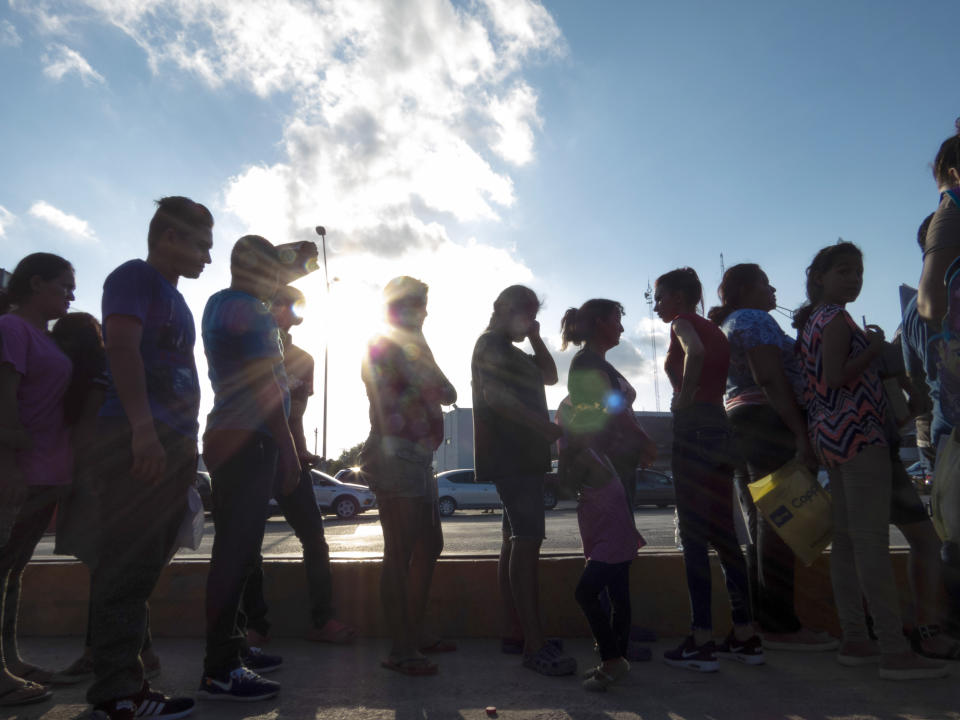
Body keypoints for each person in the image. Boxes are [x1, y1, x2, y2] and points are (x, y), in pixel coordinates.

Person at [794, 241, 946, 680]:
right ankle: (894, 649)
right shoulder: (835, 319)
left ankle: (856, 638)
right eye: (844, 271)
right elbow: (837, 375)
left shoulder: (813, 321)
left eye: (858, 273)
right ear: (819, 276)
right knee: (870, 543)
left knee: (846, 543)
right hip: (859, 436)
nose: (854, 280)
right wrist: (876, 347)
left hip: (832, 438)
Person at [86, 196, 212, 719]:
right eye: (200, 243)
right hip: (143, 436)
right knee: (127, 566)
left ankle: (125, 679)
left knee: (141, 568)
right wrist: (142, 431)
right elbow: (120, 347)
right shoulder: (134, 276)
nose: (207, 255)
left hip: (174, 440)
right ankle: (117, 693)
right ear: (169, 238)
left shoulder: (175, 298)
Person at [707, 264, 838, 652]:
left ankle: (761, 620)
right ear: (746, 289)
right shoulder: (754, 319)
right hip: (767, 420)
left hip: (741, 421)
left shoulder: (730, 324)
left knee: (762, 524)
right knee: (780, 524)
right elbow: (768, 376)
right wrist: (800, 433)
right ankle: (781, 625)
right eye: (765, 282)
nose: (773, 288)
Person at [199, 235, 301, 701]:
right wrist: (290, 449)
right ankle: (221, 666)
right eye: (273, 270)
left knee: (240, 552)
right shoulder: (253, 310)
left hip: (229, 433)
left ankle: (233, 649)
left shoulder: (223, 303)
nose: (281, 279)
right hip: (249, 437)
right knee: (236, 553)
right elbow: (267, 389)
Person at [653, 267, 761, 672]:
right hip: (720, 426)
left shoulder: (682, 323)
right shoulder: (716, 329)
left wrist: (684, 398)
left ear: (679, 297)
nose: (658, 304)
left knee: (696, 539)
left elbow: (693, 353)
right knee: (726, 536)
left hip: (694, 426)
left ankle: (701, 640)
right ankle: (746, 635)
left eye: (661, 296)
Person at [239, 284, 357, 647]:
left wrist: (299, 453)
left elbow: (297, 413)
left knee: (315, 539)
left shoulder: (303, 358)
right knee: (246, 543)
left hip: (288, 455)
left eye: (291, 307)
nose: (283, 312)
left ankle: (323, 620)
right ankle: (255, 625)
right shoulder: (248, 345)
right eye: (277, 304)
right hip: (248, 451)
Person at [51, 314, 162, 685]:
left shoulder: (94, 370)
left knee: (107, 574)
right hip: (123, 475)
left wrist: (75, 476)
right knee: (120, 569)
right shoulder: (112, 365)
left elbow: (85, 428)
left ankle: (96, 653)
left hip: (98, 477)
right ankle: (142, 650)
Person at [471, 285, 575, 676]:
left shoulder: (513, 349)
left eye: (532, 314)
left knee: (512, 541)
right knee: (527, 542)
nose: (527, 318)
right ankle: (534, 644)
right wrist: (543, 427)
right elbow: (496, 397)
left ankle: (516, 632)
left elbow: (549, 375)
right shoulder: (491, 345)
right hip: (513, 457)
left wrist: (534, 336)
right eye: (522, 312)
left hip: (523, 458)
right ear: (500, 308)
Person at [361, 276, 456, 676]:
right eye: (418, 302)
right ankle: (401, 648)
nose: (425, 310)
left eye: (426, 303)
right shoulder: (383, 342)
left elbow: (444, 389)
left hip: (418, 456)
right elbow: (432, 387)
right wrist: (431, 386)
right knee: (398, 552)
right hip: (394, 452)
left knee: (429, 544)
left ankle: (413, 632)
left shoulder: (414, 341)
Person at [0, 253, 75, 708]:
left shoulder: (43, 336)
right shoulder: (11, 329)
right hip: (18, 473)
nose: (71, 294)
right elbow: (4, 398)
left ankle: (10, 659)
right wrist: (7, 465)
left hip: (46, 473)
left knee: (12, 571)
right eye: (64, 285)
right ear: (34, 284)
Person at [903, 213, 960, 643]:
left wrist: (925, 444)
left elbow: (914, 386)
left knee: (951, 535)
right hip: (947, 428)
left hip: (943, 429)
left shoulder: (911, 310)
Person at [560, 299, 656, 510]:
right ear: (600, 323)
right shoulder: (587, 362)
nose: (621, 328)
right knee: (614, 530)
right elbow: (612, 406)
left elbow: (620, 400)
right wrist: (644, 440)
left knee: (619, 528)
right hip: (603, 460)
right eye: (617, 320)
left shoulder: (599, 363)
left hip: (614, 459)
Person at [573, 449, 644, 692]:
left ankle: (612, 660)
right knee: (619, 598)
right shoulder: (599, 454)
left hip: (611, 541)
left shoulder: (583, 453)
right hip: (618, 537)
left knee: (585, 593)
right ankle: (618, 660)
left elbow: (561, 487)